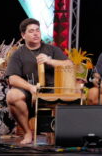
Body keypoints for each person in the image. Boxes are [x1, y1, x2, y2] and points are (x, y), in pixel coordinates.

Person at [4, 17, 71, 145]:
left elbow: (69, 65)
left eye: (37, 30)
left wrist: (49, 61)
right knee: (12, 95)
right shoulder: (18, 54)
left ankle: (62, 132)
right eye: (31, 31)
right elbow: (12, 78)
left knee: (73, 94)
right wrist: (30, 87)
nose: (35, 33)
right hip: (30, 91)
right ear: (23, 35)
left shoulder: (52, 50)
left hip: (53, 90)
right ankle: (27, 132)